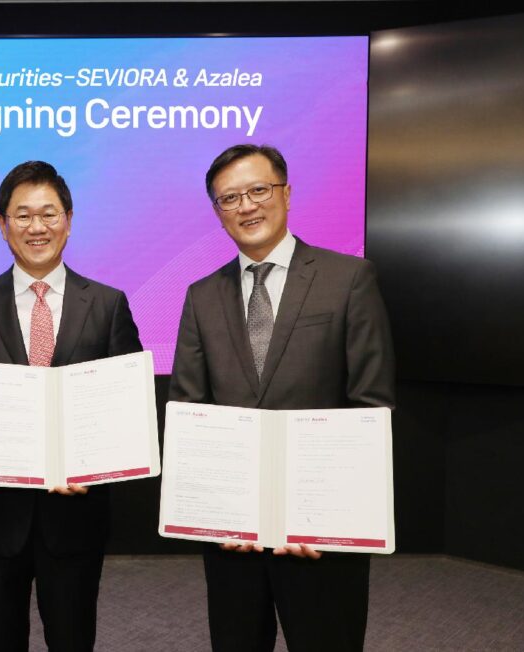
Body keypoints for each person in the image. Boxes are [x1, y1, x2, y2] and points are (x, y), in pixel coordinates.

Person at [169, 143, 395, 651]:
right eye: (230, 198)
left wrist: (328, 519)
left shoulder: (348, 279)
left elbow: (370, 404)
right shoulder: (201, 296)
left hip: (321, 538)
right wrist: (215, 514)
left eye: (258, 190)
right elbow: (188, 410)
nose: (246, 206)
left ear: (286, 194)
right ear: (218, 212)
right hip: (233, 539)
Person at [0, 161, 142, 651]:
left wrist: (99, 464)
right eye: (23, 215)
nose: (37, 227)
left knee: (72, 639)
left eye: (49, 214)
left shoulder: (108, 304)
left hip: (76, 515)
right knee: (0, 639)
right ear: (2, 225)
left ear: (68, 220)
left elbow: (129, 405)